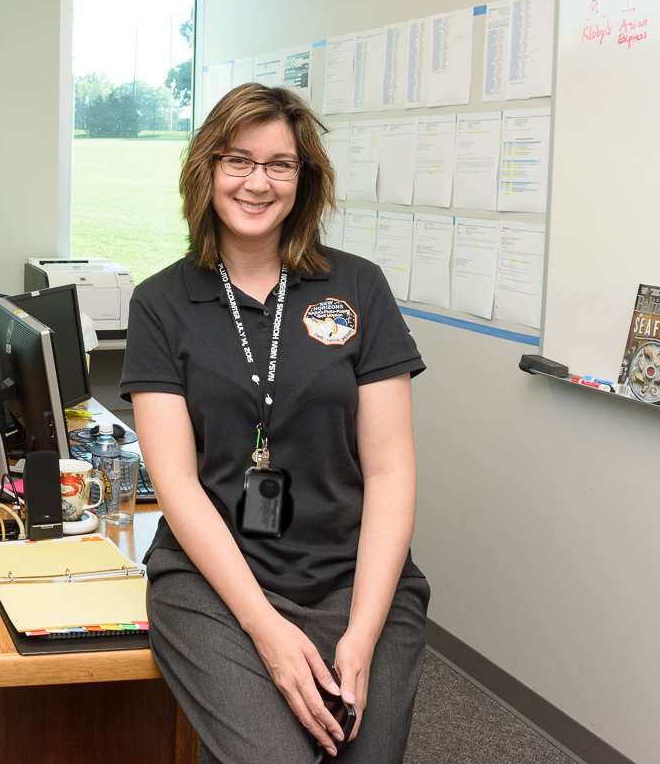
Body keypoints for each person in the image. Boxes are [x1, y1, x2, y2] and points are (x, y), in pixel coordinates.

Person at [121, 84, 429, 763]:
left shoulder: (359, 287)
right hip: (215, 583)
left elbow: (390, 469)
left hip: (354, 577)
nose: (257, 182)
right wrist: (265, 629)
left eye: (279, 164)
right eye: (238, 160)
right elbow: (176, 483)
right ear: (207, 169)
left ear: (303, 177)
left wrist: (362, 631)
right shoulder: (160, 303)